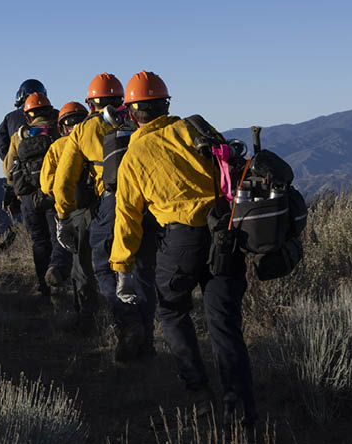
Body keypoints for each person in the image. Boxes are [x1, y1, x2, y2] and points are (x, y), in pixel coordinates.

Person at [110, 70, 256, 428]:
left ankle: (199, 394)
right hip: (225, 232)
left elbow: (127, 217)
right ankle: (240, 414)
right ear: (166, 104)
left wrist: (122, 270)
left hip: (181, 243)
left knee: (173, 312)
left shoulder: (134, 155)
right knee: (224, 323)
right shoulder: (196, 129)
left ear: (131, 113)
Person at [52, 74, 157, 361]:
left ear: (91, 102)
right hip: (148, 203)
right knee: (144, 271)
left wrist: (63, 217)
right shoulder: (136, 119)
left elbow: (63, 182)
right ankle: (147, 346)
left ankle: (127, 324)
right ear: (122, 99)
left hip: (111, 204)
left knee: (104, 269)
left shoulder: (83, 130)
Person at [3, 92, 72, 297]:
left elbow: (8, 169)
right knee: (58, 238)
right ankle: (59, 279)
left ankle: (44, 288)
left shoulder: (19, 136)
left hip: (28, 198)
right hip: (53, 195)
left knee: (39, 242)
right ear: (49, 111)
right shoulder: (57, 133)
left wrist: (17, 189)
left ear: (27, 115)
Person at [40, 101, 98, 323]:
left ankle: (86, 315)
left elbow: (46, 185)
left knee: (80, 264)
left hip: (72, 211)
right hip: (101, 207)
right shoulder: (93, 140)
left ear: (62, 126)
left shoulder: (57, 147)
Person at [0, 79, 47, 215]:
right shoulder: (55, 116)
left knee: (34, 231)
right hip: (51, 183)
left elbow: (1, 145)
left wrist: (14, 166)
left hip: (24, 183)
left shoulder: (10, 118)